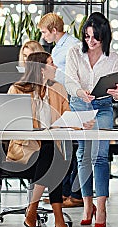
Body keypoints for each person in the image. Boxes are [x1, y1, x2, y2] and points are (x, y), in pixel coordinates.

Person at [7, 52, 95, 227]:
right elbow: (10, 125)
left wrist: (81, 123)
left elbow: (67, 117)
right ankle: (58, 221)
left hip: (50, 150)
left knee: (51, 153)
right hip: (26, 148)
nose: (56, 67)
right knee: (52, 155)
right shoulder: (17, 89)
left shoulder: (59, 89)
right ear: (40, 69)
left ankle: (33, 208)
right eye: (51, 64)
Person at [65, 12, 118, 227]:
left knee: (100, 156)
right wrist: (81, 92)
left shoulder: (113, 57)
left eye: (95, 37)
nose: (90, 42)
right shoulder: (74, 53)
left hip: (103, 108)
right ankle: (87, 205)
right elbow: (69, 81)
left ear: (104, 37)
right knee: (83, 156)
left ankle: (102, 207)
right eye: (87, 37)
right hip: (80, 105)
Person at [38, 13, 83, 208]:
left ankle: (74, 194)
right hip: (61, 98)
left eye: (44, 32)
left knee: (72, 148)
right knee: (64, 148)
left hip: (71, 99)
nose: (43, 37)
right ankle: (62, 193)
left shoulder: (73, 45)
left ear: (54, 30)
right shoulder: (58, 47)